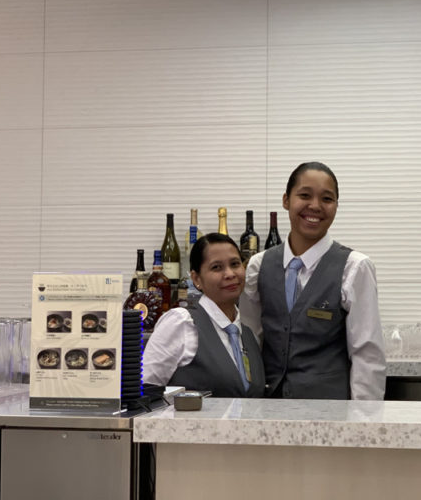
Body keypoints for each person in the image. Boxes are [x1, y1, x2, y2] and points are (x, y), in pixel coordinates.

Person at [240, 161, 386, 400]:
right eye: (305, 195)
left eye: (327, 199)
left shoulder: (355, 267)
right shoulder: (258, 265)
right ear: (286, 200)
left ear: (337, 206)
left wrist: (362, 423)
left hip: (330, 412)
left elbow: (367, 355)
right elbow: (250, 342)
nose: (315, 206)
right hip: (267, 409)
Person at [143, 233, 265, 397]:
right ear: (196, 279)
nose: (229, 274)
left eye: (235, 264)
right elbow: (146, 392)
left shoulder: (249, 335)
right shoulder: (181, 323)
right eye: (216, 267)